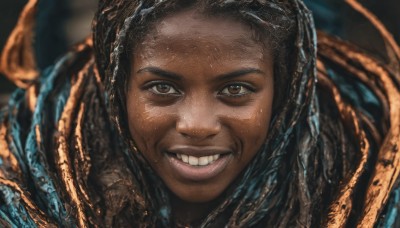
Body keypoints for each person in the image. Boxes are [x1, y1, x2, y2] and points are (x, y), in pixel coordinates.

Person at [0, 0, 399, 227]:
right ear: (115, 89)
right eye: (163, 87)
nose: (197, 125)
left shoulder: (369, 180)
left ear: (286, 95)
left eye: (235, 89)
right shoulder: (24, 178)